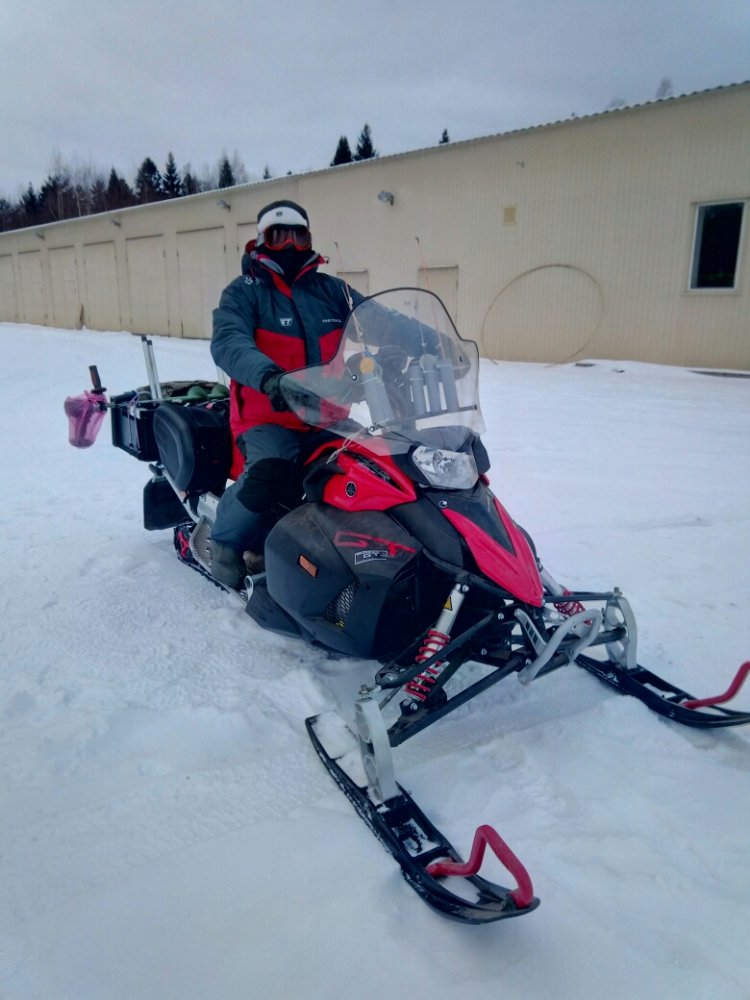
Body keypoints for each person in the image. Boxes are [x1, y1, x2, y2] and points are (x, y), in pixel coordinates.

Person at [208, 199, 365, 589]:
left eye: (299, 235)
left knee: (374, 464)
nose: (291, 245)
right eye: (280, 235)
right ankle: (224, 543)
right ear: (262, 240)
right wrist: (270, 378)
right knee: (272, 469)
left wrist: (428, 344)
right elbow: (229, 341)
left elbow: (379, 319)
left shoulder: (332, 291)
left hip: (327, 417)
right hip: (267, 417)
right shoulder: (244, 293)